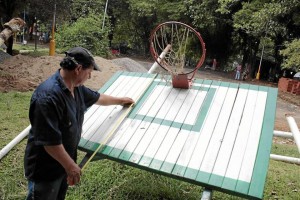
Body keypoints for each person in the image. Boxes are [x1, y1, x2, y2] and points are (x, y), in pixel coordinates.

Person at [24, 46, 135, 200]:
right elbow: (50, 143)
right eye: (89, 73)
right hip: (46, 169)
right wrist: (71, 167)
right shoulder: (48, 97)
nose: (89, 77)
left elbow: (98, 97)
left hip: (63, 165)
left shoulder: (76, 89)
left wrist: (121, 100)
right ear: (78, 69)